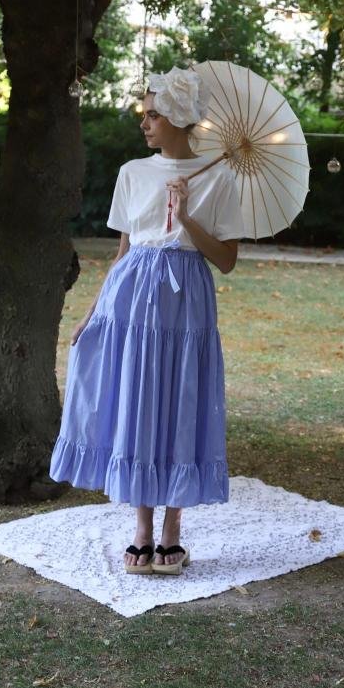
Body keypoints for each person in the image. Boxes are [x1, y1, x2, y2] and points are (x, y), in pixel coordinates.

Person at [49, 66, 245, 575]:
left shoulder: (219, 175)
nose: (144, 124)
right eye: (145, 115)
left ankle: (172, 530)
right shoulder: (133, 172)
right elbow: (123, 253)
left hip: (187, 300)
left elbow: (226, 260)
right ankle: (141, 530)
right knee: (138, 400)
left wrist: (187, 217)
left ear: (178, 118)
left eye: (153, 115)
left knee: (179, 398)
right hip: (132, 297)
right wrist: (93, 312)